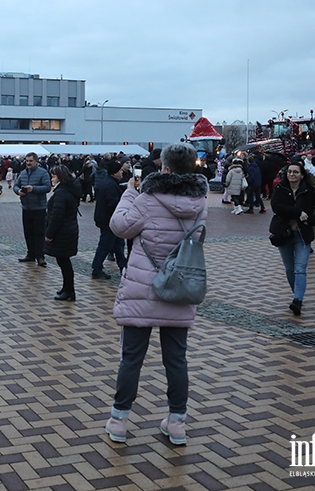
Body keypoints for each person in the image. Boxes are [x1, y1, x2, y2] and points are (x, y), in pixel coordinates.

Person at [104, 142, 208, 446]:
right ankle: (177, 423)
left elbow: (119, 226)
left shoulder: (147, 199)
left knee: (131, 359)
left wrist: (129, 193)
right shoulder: (201, 202)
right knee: (176, 360)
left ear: (165, 167)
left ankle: (119, 420)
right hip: (179, 286)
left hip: (142, 287)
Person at [270, 160, 315, 316]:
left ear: (302, 175)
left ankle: (297, 300)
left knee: (300, 268)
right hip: (284, 233)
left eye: (295, 172)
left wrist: (312, 221)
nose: (292, 175)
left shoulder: (309, 191)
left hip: (302, 235)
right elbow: (276, 206)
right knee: (290, 269)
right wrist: (297, 212)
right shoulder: (280, 188)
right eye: (289, 172)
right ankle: (297, 294)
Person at [44, 165, 81, 301]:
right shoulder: (69, 189)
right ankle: (67, 288)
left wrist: (49, 233)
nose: (52, 179)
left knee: (64, 261)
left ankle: (69, 290)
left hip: (63, 232)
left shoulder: (61, 193)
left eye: (53, 176)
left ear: (60, 177)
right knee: (63, 261)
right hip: (68, 230)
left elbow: (57, 216)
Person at [14, 152, 51, 267]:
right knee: (28, 233)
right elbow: (16, 185)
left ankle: (40, 256)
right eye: (27, 161)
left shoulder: (43, 173)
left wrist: (33, 189)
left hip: (39, 208)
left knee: (39, 233)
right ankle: (31, 254)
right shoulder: (23, 173)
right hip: (26, 207)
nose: (28, 163)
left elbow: (47, 187)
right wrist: (18, 191)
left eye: (30, 161)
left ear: (36, 161)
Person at [91, 161, 126, 280]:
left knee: (118, 245)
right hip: (109, 221)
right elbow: (113, 203)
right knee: (106, 245)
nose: (122, 173)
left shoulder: (109, 182)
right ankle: (97, 269)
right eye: (120, 171)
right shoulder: (110, 185)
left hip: (108, 220)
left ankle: (123, 267)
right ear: (115, 173)